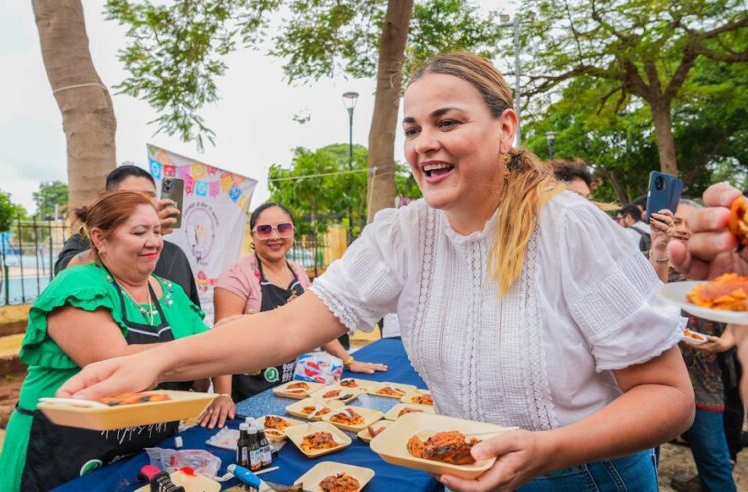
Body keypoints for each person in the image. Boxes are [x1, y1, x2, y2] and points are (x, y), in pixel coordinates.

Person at [57, 52, 695, 491]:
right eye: (414, 128)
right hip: (467, 470)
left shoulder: (570, 228)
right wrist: (158, 362)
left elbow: (670, 400)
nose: (423, 143)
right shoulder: (403, 232)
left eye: (448, 122)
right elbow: (285, 329)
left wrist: (549, 451)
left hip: (585, 476)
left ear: (505, 129)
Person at [0, 191, 212, 492]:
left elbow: (212, 354)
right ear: (99, 238)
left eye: (157, 231)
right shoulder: (78, 285)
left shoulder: (173, 293)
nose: (153, 241)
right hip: (61, 448)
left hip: (138, 449)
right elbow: (114, 361)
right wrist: (209, 347)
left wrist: (221, 388)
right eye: (139, 232)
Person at [198, 203, 387, 428]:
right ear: (253, 235)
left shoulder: (298, 272)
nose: (275, 236)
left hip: (290, 388)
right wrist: (223, 397)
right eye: (265, 230)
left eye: (282, 228)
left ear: (293, 231)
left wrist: (348, 360)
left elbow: (315, 325)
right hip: (248, 392)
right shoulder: (236, 276)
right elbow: (224, 342)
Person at [653, 200, 737, 492]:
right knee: (648, 459)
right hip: (653, 380)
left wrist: (725, 340)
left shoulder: (714, 270)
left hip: (704, 380)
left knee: (714, 462)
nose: (683, 230)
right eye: (676, 221)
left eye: (691, 224)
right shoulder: (644, 261)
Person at [54, 165, 201, 308]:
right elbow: (66, 280)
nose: (141, 203)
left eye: (149, 196)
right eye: (130, 197)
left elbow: (192, 312)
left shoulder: (175, 253)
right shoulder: (82, 244)